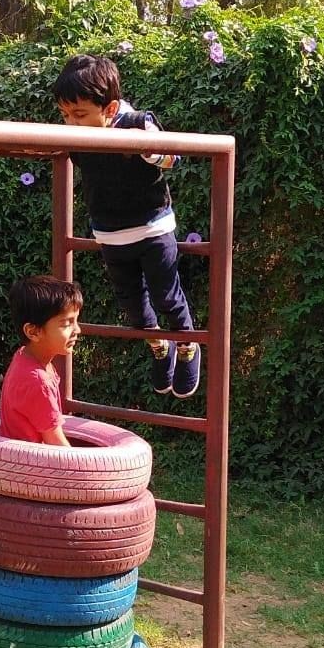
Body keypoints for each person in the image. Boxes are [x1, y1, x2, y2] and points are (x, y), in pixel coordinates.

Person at [52, 54, 200, 398]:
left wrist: (148, 150)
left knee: (166, 294)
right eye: (65, 115)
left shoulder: (136, 122)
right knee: (133, 306)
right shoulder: (74, 133)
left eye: (79, 115)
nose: (71, 123)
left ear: (110, 107)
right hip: (110, 233)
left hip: (152, 227)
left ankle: (188, 343)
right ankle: (160, 347)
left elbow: (173, 157)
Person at [0, 275, 83, 445]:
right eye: (67, 323)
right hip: (29, 467)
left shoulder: (24, 356)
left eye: (76, 321)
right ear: (33, 332)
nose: (78, 330)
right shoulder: (38, 381)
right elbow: (57, 446)